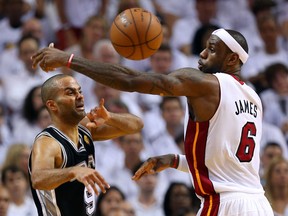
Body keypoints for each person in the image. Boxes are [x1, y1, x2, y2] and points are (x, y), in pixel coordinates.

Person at [31, 28, 274, 215]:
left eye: (211, 50)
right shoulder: (253, 97)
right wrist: (175, 160)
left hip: (225, 205)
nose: (202, 54)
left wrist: (69, 59)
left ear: (231, 60)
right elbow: (231, 165)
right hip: (260, 204)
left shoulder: (206, 84)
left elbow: (131, 79)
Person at [28, 74, 143, 216]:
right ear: (52, 105)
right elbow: (38, 178)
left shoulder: (85, 129)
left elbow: (137, 125)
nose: (80, 96)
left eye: (80, 91)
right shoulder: (48, 142)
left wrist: (110, 117)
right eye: (70, 93)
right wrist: (73, 171)